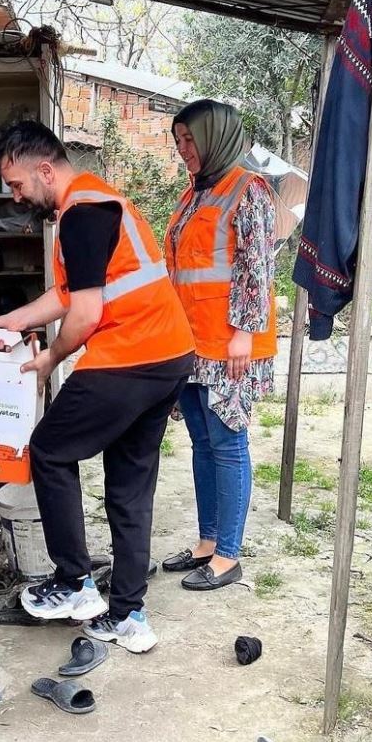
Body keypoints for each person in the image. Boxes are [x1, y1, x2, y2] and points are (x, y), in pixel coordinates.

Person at [0, 121, 194, 653]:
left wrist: (52, 356)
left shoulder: (81, 215)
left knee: (50, 449)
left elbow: (84, 313)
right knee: (129, 485)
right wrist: (14, 318)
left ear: (46, 170)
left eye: (17, 185)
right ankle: (128, 616)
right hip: (169, 354)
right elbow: (69, 291)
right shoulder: (100, 201)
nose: (16, 197)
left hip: (129, 355)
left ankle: (75, 582)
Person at [161, 99, 277, 591]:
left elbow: (256, 268)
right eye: (179, 141)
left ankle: (229, 554)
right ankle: (208, 542)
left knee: (228, 445)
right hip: (191, 343)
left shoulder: (249, 192)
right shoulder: (194, 195)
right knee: (202, 443)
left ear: (215, 138)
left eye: (190, 140)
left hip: (231, 344)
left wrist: (244, 335)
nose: (183, 150)